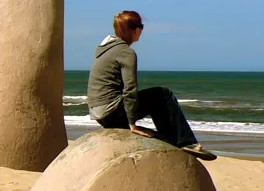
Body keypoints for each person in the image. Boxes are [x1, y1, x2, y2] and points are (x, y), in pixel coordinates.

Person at [86, 10, 215, 160]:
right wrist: (132, 124)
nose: (141, 31)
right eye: (141, 26)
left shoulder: (105, 49)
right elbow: (130, 89)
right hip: (113, 112)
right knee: (163, 94)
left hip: (100, 114)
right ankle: (186, 142)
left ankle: (171, 140)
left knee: (156, 101)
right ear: (135, 30)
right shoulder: (126, 52)